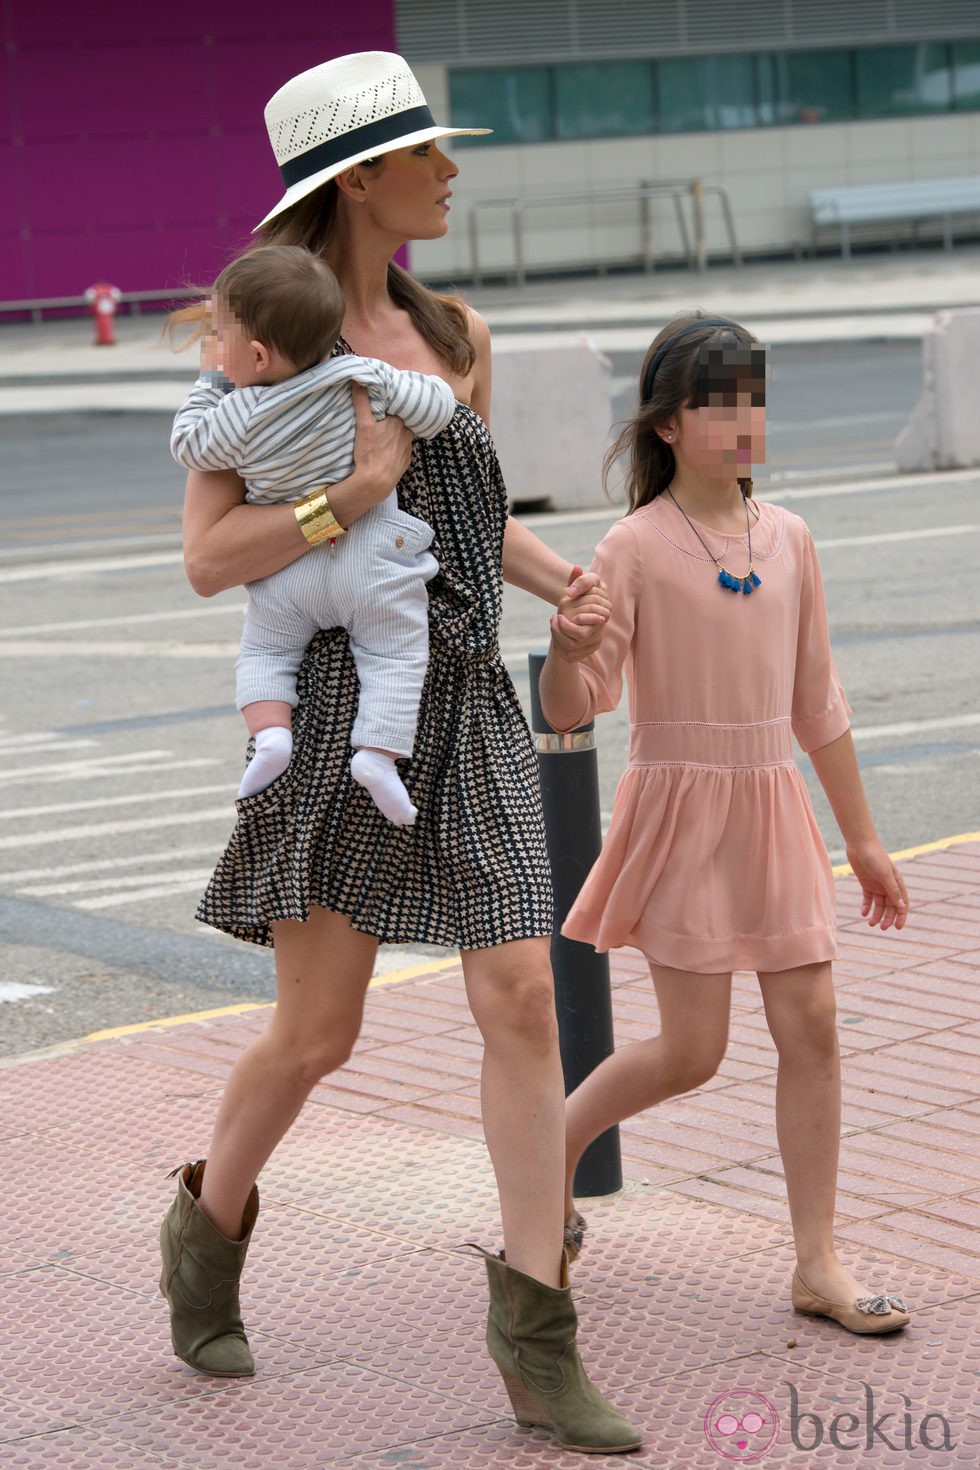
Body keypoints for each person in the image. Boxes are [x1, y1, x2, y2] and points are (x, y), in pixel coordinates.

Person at [158, 50, 642, 1455]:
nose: (452, 172)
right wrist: (349, 497)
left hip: (466, 700)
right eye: (430, 153)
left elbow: (474, 513)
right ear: (362, 176)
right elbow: (205, 560)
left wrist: (567, 584)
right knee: (317, 1034)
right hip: (328, 705)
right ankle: (207, 1229)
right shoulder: (252, 334)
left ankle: (537, 1330)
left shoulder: (455, 329)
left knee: (521, 997)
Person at [540, 313, 912, 1337]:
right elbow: (576, 710)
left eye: (751, 397)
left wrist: (863, 838)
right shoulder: (633, 546)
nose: (743, 419)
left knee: (813, 1029)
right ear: (665, 425)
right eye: (717, 402)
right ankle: (549, 1155)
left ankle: (815, 1262)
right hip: (681, 812)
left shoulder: (787, 537)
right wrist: (563, 648)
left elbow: (816, 702)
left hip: (771, 805)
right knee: (692, 1050)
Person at [170, 244, 457, 820]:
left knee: (266, 649)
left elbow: (189, 445)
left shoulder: (239, 411)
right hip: (372, 560)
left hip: (290, 571)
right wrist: (406, 400)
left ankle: (272, 732)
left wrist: (208, 384)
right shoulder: (361, 375)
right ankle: (377, 753)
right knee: (397, 656)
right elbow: (439, 408)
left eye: (218, 340)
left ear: (253, 353)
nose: (215, 351)